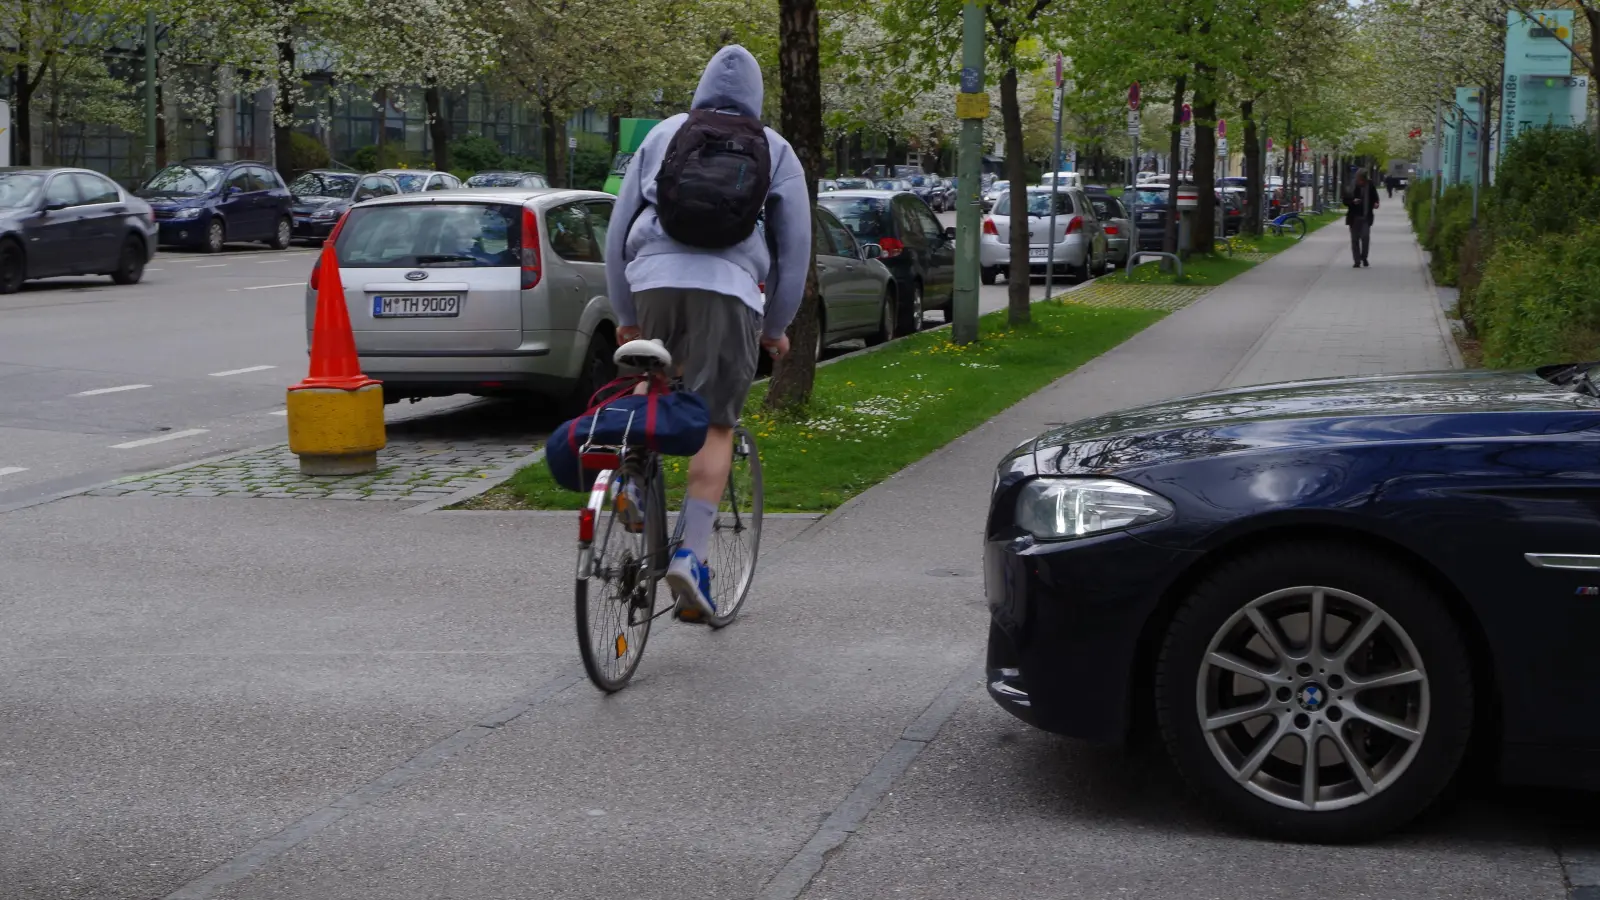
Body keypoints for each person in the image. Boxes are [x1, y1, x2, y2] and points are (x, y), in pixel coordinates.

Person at [604, 44, 809, 623]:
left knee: (652, 381)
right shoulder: (776, 148)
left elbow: (619, 230)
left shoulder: (663, 135)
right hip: (730, 289)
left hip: (651, 280)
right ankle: (690, 558)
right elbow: (793, 255)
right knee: (717, 423)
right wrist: (775, 330)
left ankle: (633, 485)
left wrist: (626, 315)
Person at [1345, 170, 1379, 268]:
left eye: (1362, 180)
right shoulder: (1351, 185)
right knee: (1354, 240)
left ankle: (1364, 257)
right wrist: (1352, 201)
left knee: (1365, 238)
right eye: (1359, 180)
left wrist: (1376, 203)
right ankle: (1357, 261)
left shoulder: (1370, 185)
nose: (1361, 182)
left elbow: (1375, 197)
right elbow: (1345, 200)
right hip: (1354, 217)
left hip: (1366, 217)